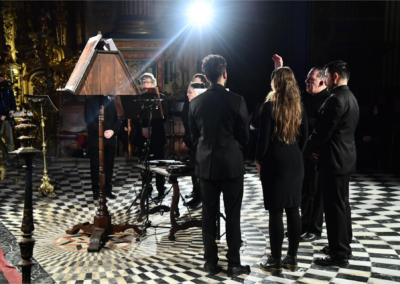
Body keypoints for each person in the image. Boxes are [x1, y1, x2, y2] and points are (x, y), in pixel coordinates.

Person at [189, 55, 250, 277]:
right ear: (225, 74)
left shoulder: (195, 102)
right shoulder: (237, 101)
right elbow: (244, 136)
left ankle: (210, 262)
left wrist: (205, 150)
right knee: (233, 216)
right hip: (232, 166)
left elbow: (193, 137)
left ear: (206, 78)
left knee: (208, 215)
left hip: (206, 167)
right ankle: (234, 263)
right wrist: (236, 150)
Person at [304, 60, 359, 266]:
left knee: (334, 207)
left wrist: (306, 150)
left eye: (325, 76)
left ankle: (338, 254)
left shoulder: (335, 99)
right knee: (342, 205)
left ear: (334, 77)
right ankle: (343, 245)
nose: (324, 80)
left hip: (333, 160)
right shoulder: (351, 97)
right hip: (345, 159)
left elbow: (322, 132)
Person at [256, 67, 308, 274]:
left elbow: (263, 141)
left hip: (275, 162)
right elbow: (305, 137)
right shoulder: (300, 107)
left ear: (274, 83)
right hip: (295, 161)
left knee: (276, 210)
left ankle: (275, 259)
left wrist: (258, 160)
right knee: (294, 209)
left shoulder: (268, 107)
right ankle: (292, 258)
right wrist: (296, 153)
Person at [133, 72, 168, 202]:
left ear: (154, 84)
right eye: (143, 82)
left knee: (159, 165)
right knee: (144, 164)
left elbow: (164, 118)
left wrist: (151, 128)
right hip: (142, 135)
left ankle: (161, 189)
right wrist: (142, 128)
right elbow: (135, 116)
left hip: (157, 135)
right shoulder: (139, 98)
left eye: (148, 82)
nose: (145, 84)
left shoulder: (162, 98)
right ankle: (146, 189)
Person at [85, 95, 121, 200]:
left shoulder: (114, 100)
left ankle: (108, 190)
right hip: (96, 138)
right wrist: (101, 131)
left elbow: (118, 118)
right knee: (95, 166)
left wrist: (113, 131)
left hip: (110, 138)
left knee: (109, 166)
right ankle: (96, 190)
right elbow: (89, 119)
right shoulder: (90, 100)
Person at [182, 81, 206, 208]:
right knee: (194, 174)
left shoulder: (203, 107)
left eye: (190, 92)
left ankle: (201, 198)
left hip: (201, 146)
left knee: (200, 175)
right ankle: (197, 196)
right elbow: (189, 128)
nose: (187, 94)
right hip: (193, 145)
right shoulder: (191, 105)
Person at [0, 74, 16, 165]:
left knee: (10, 138)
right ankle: (6, 152)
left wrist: (13, 110)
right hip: (0, 118)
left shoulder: (8, 91)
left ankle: (10, 157)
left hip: (8, 118)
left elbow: (13, 103)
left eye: (3, 80)